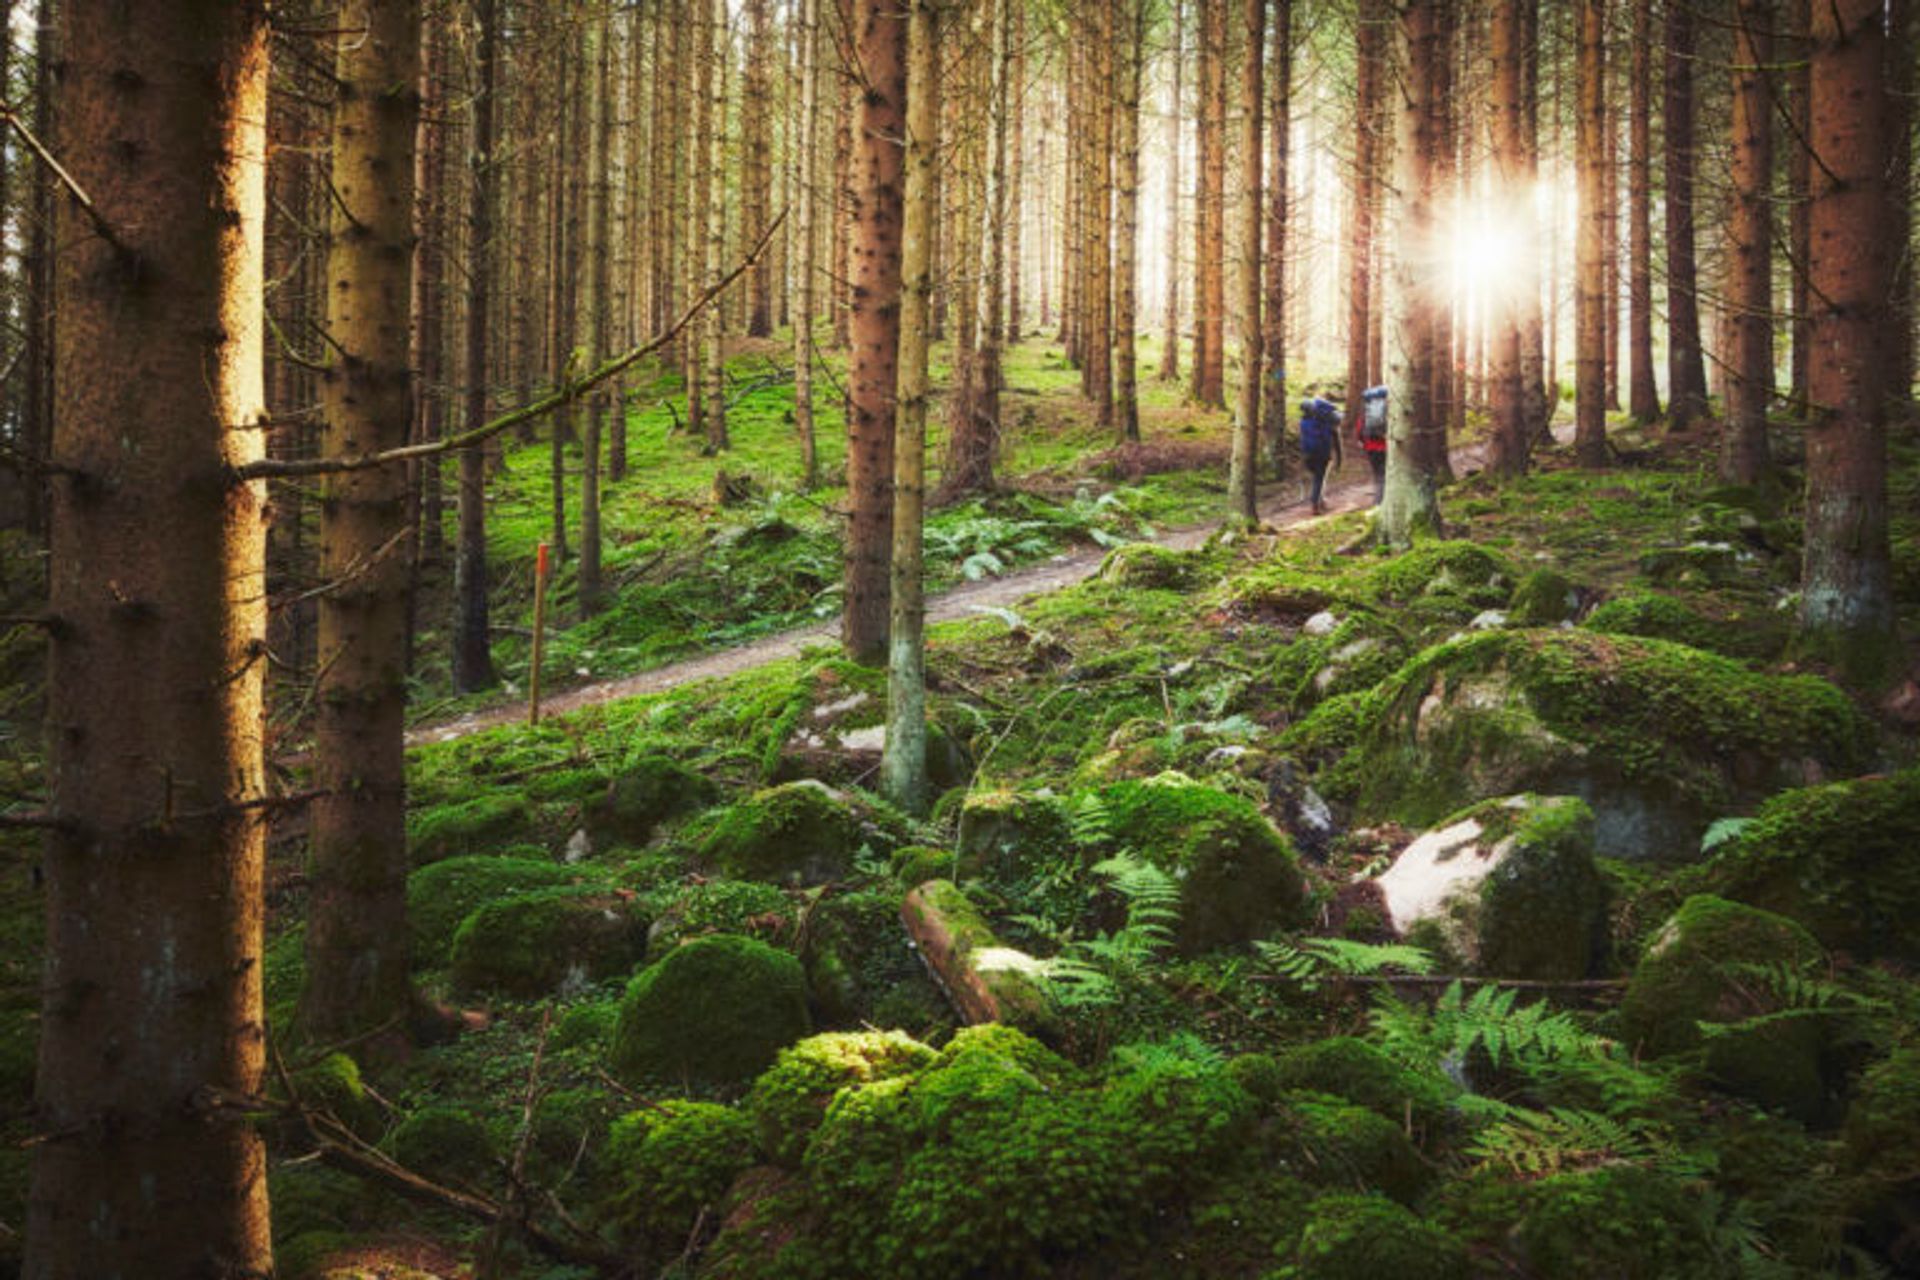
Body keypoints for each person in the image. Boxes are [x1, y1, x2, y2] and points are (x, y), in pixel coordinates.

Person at [1298, 394, 1343, 515]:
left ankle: (1320, 500)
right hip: (1322, 454)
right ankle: (1315, 504)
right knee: (1319, 478)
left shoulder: (1303, 422)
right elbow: (1337, 443)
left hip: (1308, 454)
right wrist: (1339, 460)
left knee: (1317, 478)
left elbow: (1302, 439)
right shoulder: (1326, 423)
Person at [1358, 385, 1389, 505]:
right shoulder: (1387, 411)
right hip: (1384, 448)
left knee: (1378, 476)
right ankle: (1380, 503)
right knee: (1384, 476)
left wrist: (1363, 443)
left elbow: (1359, 432)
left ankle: (1378, 500)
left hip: (1370, 449)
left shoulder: (1366, 413)